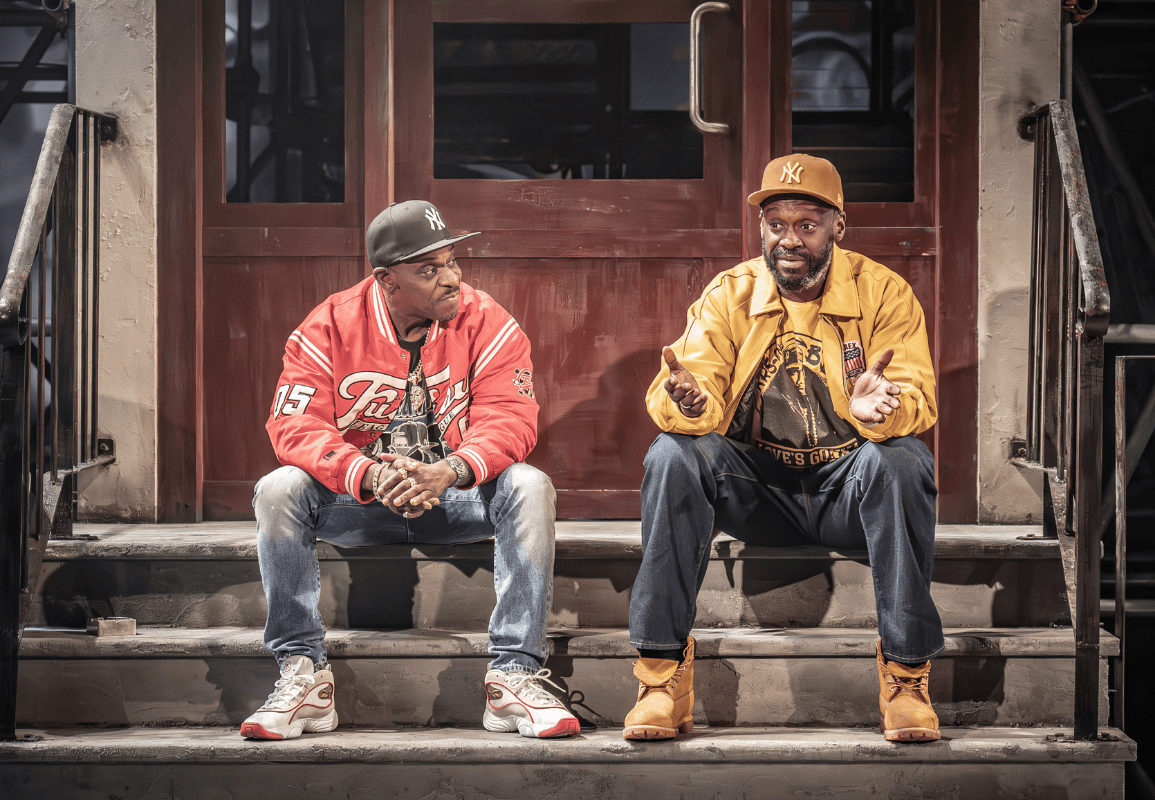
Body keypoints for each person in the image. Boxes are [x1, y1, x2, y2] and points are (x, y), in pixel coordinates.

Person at [623, 154, 942, 743]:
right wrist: (690, 405)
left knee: (902, 460)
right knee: (672, 454)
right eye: (776, 225)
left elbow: (915, 394)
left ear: (838, 226)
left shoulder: (883, 293)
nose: (788, 240)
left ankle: (905, 678)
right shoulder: (732, 292)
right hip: (758, 492)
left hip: (846, 493)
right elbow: (692, 377)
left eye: (806, 225)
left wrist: (884, 410)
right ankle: (661, 678)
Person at [240, 201, 579, 741]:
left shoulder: (486, 320)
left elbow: (511, 418)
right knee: (278, 489)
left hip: (453, 497)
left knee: (529, 484)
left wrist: (450, 470)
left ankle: (513, 676)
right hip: (360, 501)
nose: (452, 278)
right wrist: (367, 474)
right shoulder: (328, 326)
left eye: (452, 261)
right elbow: (294, 425)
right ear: (386, 280)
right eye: (429, 270)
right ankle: (303, 676)